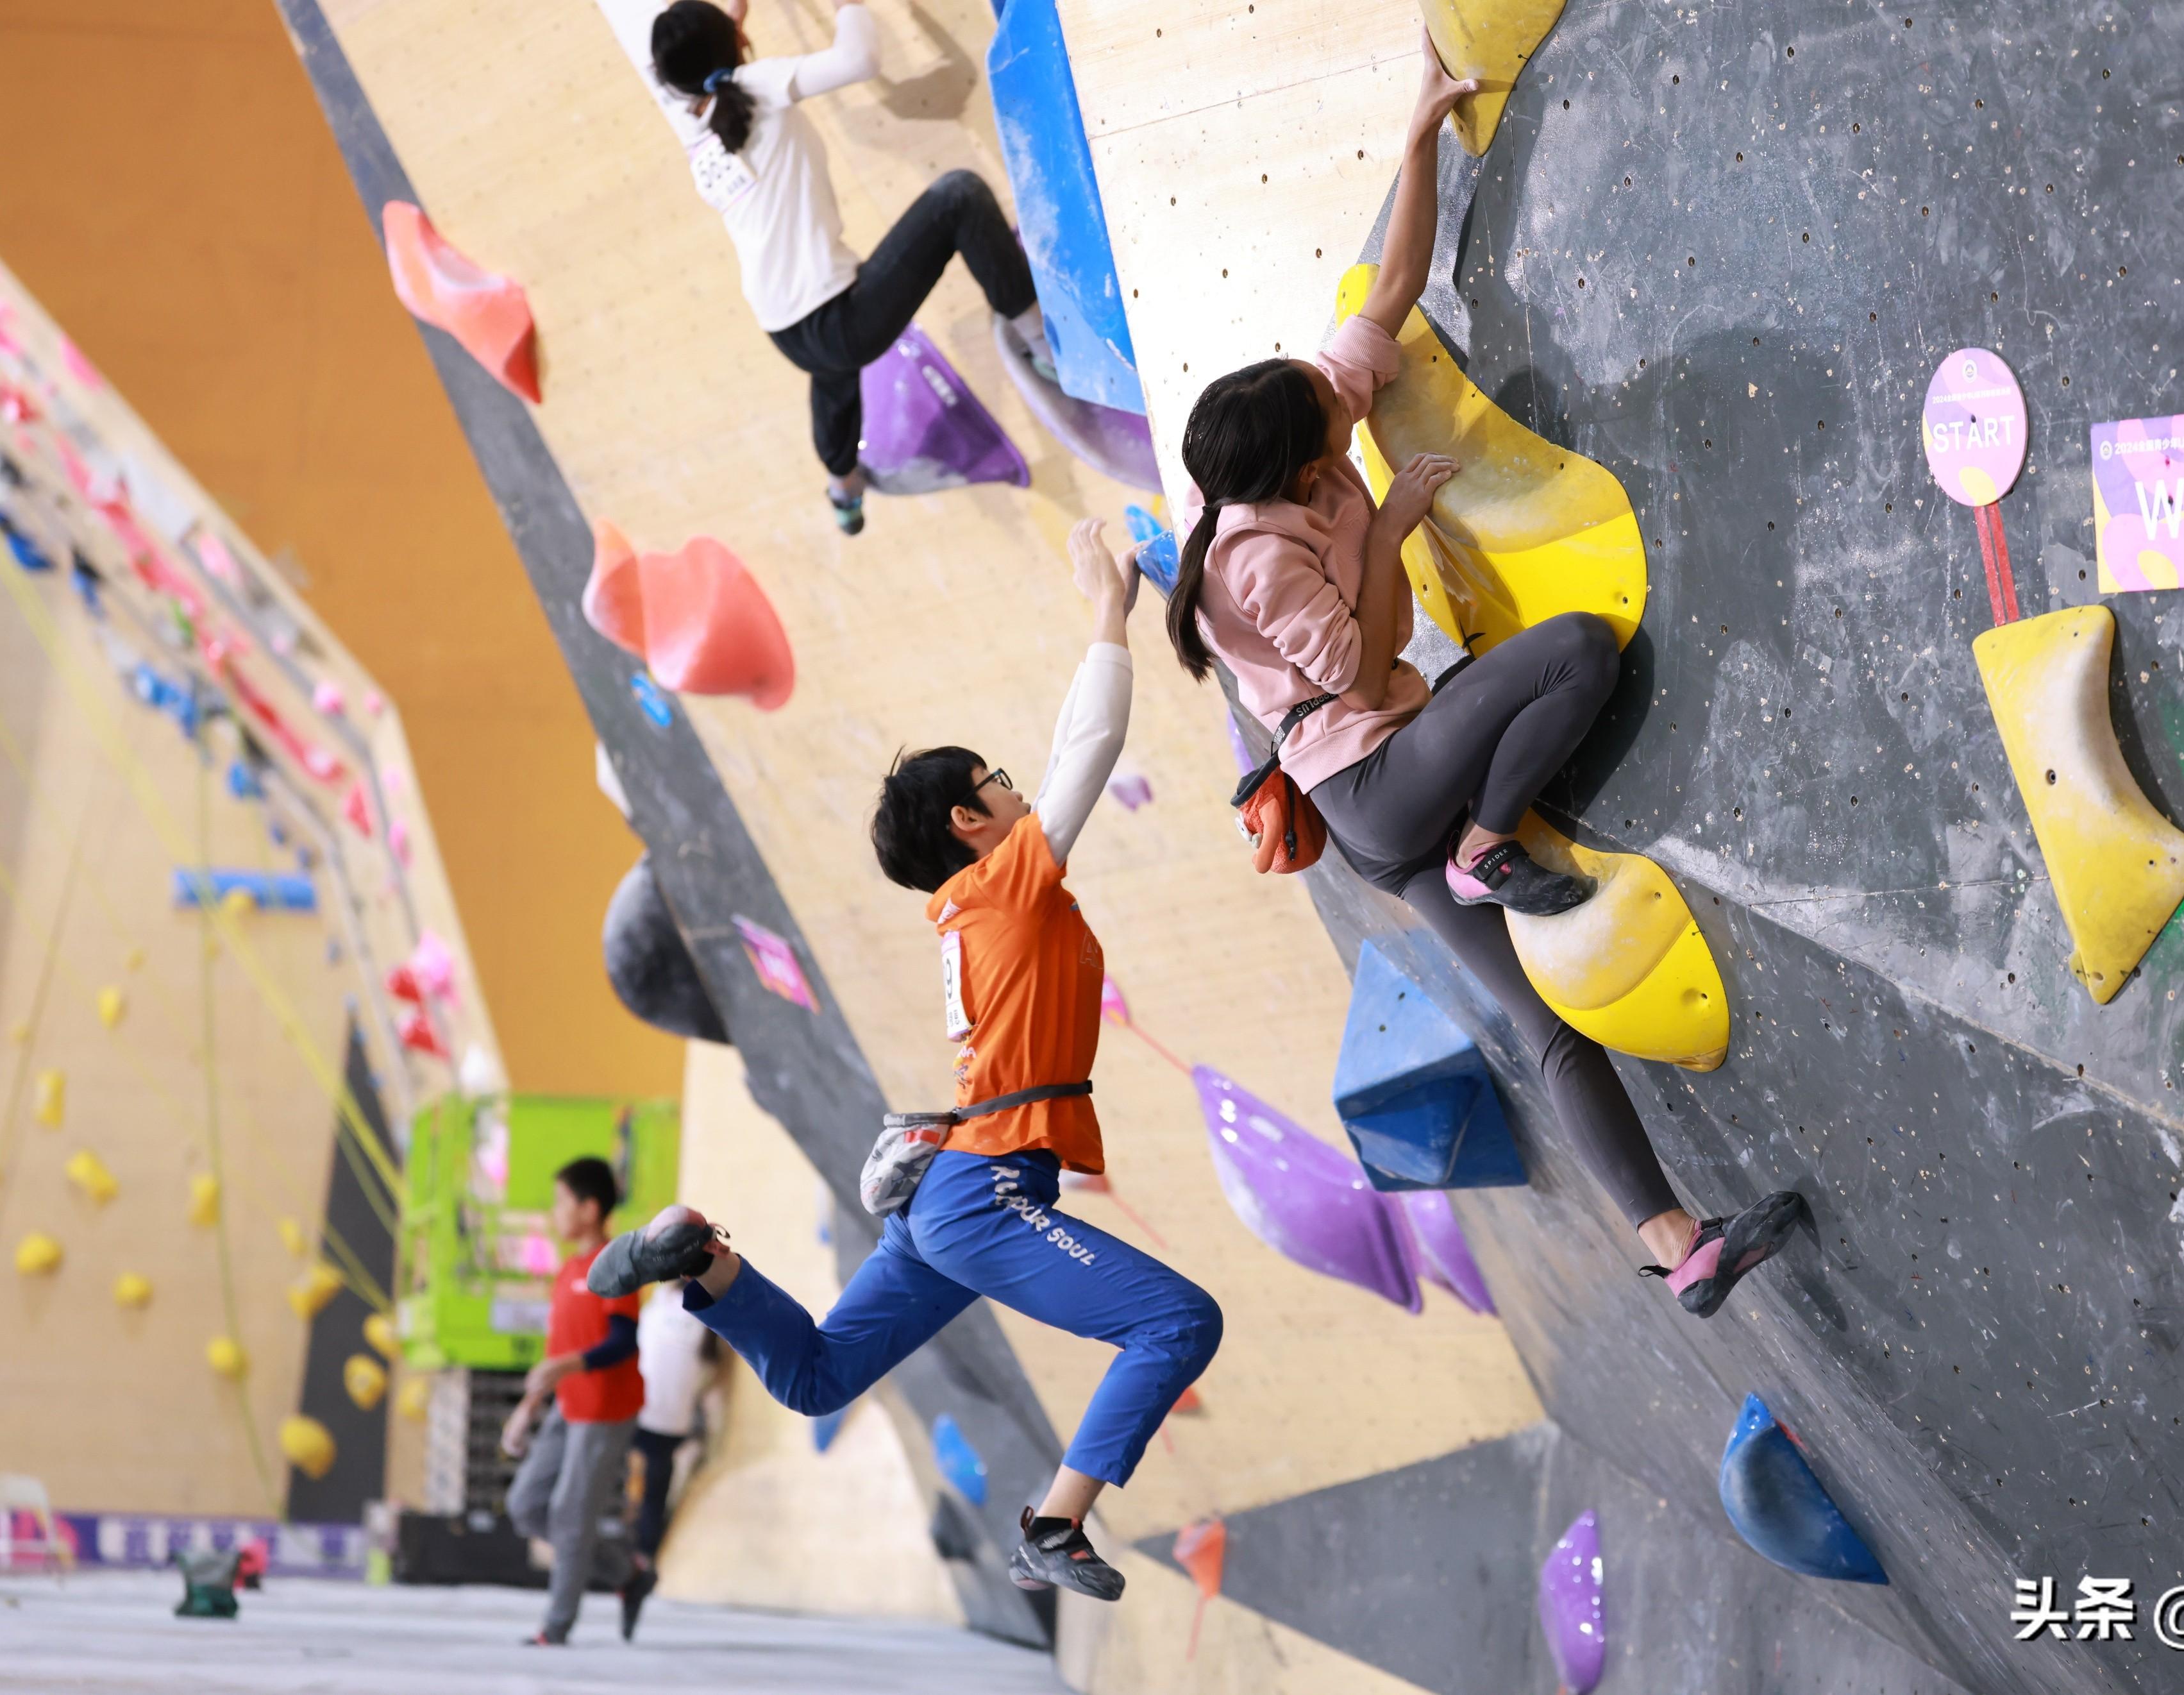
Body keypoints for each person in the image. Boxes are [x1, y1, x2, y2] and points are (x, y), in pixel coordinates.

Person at [1163, 32, 1806, 1318]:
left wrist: (1416, 138)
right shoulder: (1254, 560)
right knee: (1574, 650)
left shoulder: (1298, 442)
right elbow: (1359, 669)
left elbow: (1391, 287)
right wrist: (1390, 528)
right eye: (1328, 410)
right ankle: (1484, 842)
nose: (1343, 390)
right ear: (1305, 465)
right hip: (1376, 786)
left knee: (1549, 1025)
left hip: (1384, 794)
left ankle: (1679, 1242)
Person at [590, 519, 1222, 1602]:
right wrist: (1106, 610)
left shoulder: (973, 907)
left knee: (816, 1376)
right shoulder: (1004, 888)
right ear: (972, 820)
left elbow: (1067, 760)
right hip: (979, 1195)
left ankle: (699, 1256)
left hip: (953, 1195)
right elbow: (1089, 747)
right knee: (1178, 1320)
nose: (1023, 791)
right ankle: (1054, 1523)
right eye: (1000, 783)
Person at [596, 0, 1059, 534]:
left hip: (784, 329)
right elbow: (858, 59)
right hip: (839, 321)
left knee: (834, 372)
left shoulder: (697, 124)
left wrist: (730, 32)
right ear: (732, 47)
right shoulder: (755, 86)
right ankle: (1044, 347)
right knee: (960, 195)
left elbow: (718, 76)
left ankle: (843, 486)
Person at [503, 1157, 643, 1646]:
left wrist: (567, 1366)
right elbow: (555, 1351)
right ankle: (627, 1572)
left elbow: (623, 1340)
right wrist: (527, 1409)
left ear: (589, 1208)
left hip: (605, 1409)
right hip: (568, 1405)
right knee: (525, 1505)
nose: (555, 1211)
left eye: (561, 1201)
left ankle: (555, 1627)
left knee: (569, 1515)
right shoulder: (567, 1271)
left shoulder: (616, 1263)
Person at [617, 1278, 722, 1638]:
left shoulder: (662, 1302)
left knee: (636, 1488)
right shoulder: (707, 1311)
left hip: (640, 1410)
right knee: (654, 1496)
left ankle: (635, 1559)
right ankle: (644, 1557)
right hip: (673, 1419)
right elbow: (709, 1370)